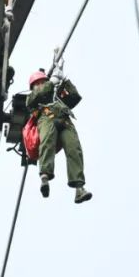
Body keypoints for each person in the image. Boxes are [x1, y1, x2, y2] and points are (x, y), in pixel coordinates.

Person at [25, 69, 92, 203]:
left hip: (64, 119)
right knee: (47, 143)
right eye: (37, 84)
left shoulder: (56, 96)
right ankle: (45, 176)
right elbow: (38, 94)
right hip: (46, 117)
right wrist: (51, 83)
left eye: (42, 82)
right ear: (33, 87)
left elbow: (74, 97)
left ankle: (79, 188)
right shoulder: (32, 98)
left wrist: (64, 81)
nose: (40, 85)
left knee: (74, 149)